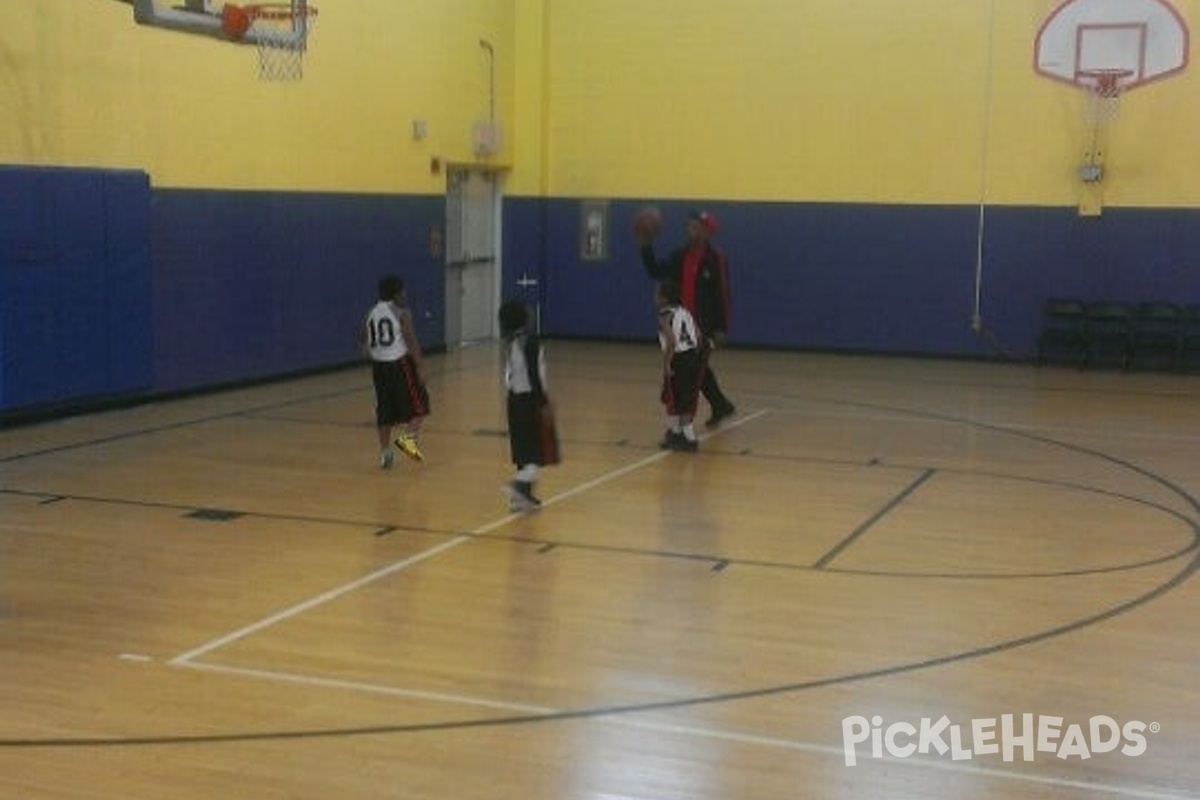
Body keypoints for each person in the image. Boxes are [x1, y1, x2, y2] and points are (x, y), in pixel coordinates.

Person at [638, 209, 736, 428]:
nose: (690, 229)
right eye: (689, 225)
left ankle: (684, 429)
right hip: (682, 325)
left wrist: (722, 328)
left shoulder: (715, 259)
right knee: (695, 370)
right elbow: (656, 271)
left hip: (705, 327)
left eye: (696, 226)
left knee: (690, 374)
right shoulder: (679, 256)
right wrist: (646, 245)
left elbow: (722, 295)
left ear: (707, 232)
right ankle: (720, 405)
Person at [360, 275, 429, 468]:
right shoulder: (401, 313)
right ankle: (408, 439)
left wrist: (372, 351)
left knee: (384, 409)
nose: (405, 294)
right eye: (403, 291)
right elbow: (411, 341)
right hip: (400, 364)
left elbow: (363, 343)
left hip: (379, 367)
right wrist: (420, 367)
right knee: (420, 405)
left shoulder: (370, 313)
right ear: (396, 293)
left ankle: (385, 452)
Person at [498, 299, 558, 511]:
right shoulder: (530, 343)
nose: (531, 312)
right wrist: (544, 403)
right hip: (529, 400)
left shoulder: (510, 341)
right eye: (527, 311)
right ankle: (519, 486)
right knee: (537, 451)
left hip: (514, 400)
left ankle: (520, 499)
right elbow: (534, 376)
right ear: (522, 318)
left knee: (523, 450)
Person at [656, 280, 702, 452]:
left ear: (664, 298)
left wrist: (667, 363)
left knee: (677, 398)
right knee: (684, 397)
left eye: (657, 294)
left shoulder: (664, 315)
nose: (655, 297)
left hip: (679, 358)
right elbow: (697, 335)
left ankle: (689, 439)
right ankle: (677, 432)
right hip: (692, 357)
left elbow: (672, 341)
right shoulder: (684, 311)